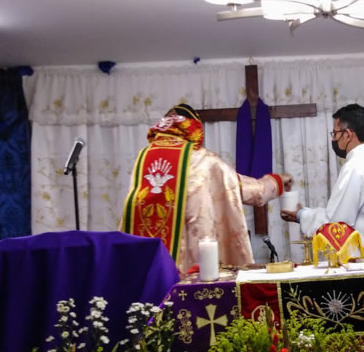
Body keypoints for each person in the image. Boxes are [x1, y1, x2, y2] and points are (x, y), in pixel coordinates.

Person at [120, 104, 293, 277]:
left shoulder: (143, 157)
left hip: (148, 265)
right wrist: (278, 181)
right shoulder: (201, 158)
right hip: (193, 264)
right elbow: (251, 190)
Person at [280, 104, 364, 257]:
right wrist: (304, 213)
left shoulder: (355, 167)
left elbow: (336, 225)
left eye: (335, 133)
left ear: (348, 135)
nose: (333, 139)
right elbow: (341, 213)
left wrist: (300, 215)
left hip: (359, 263)